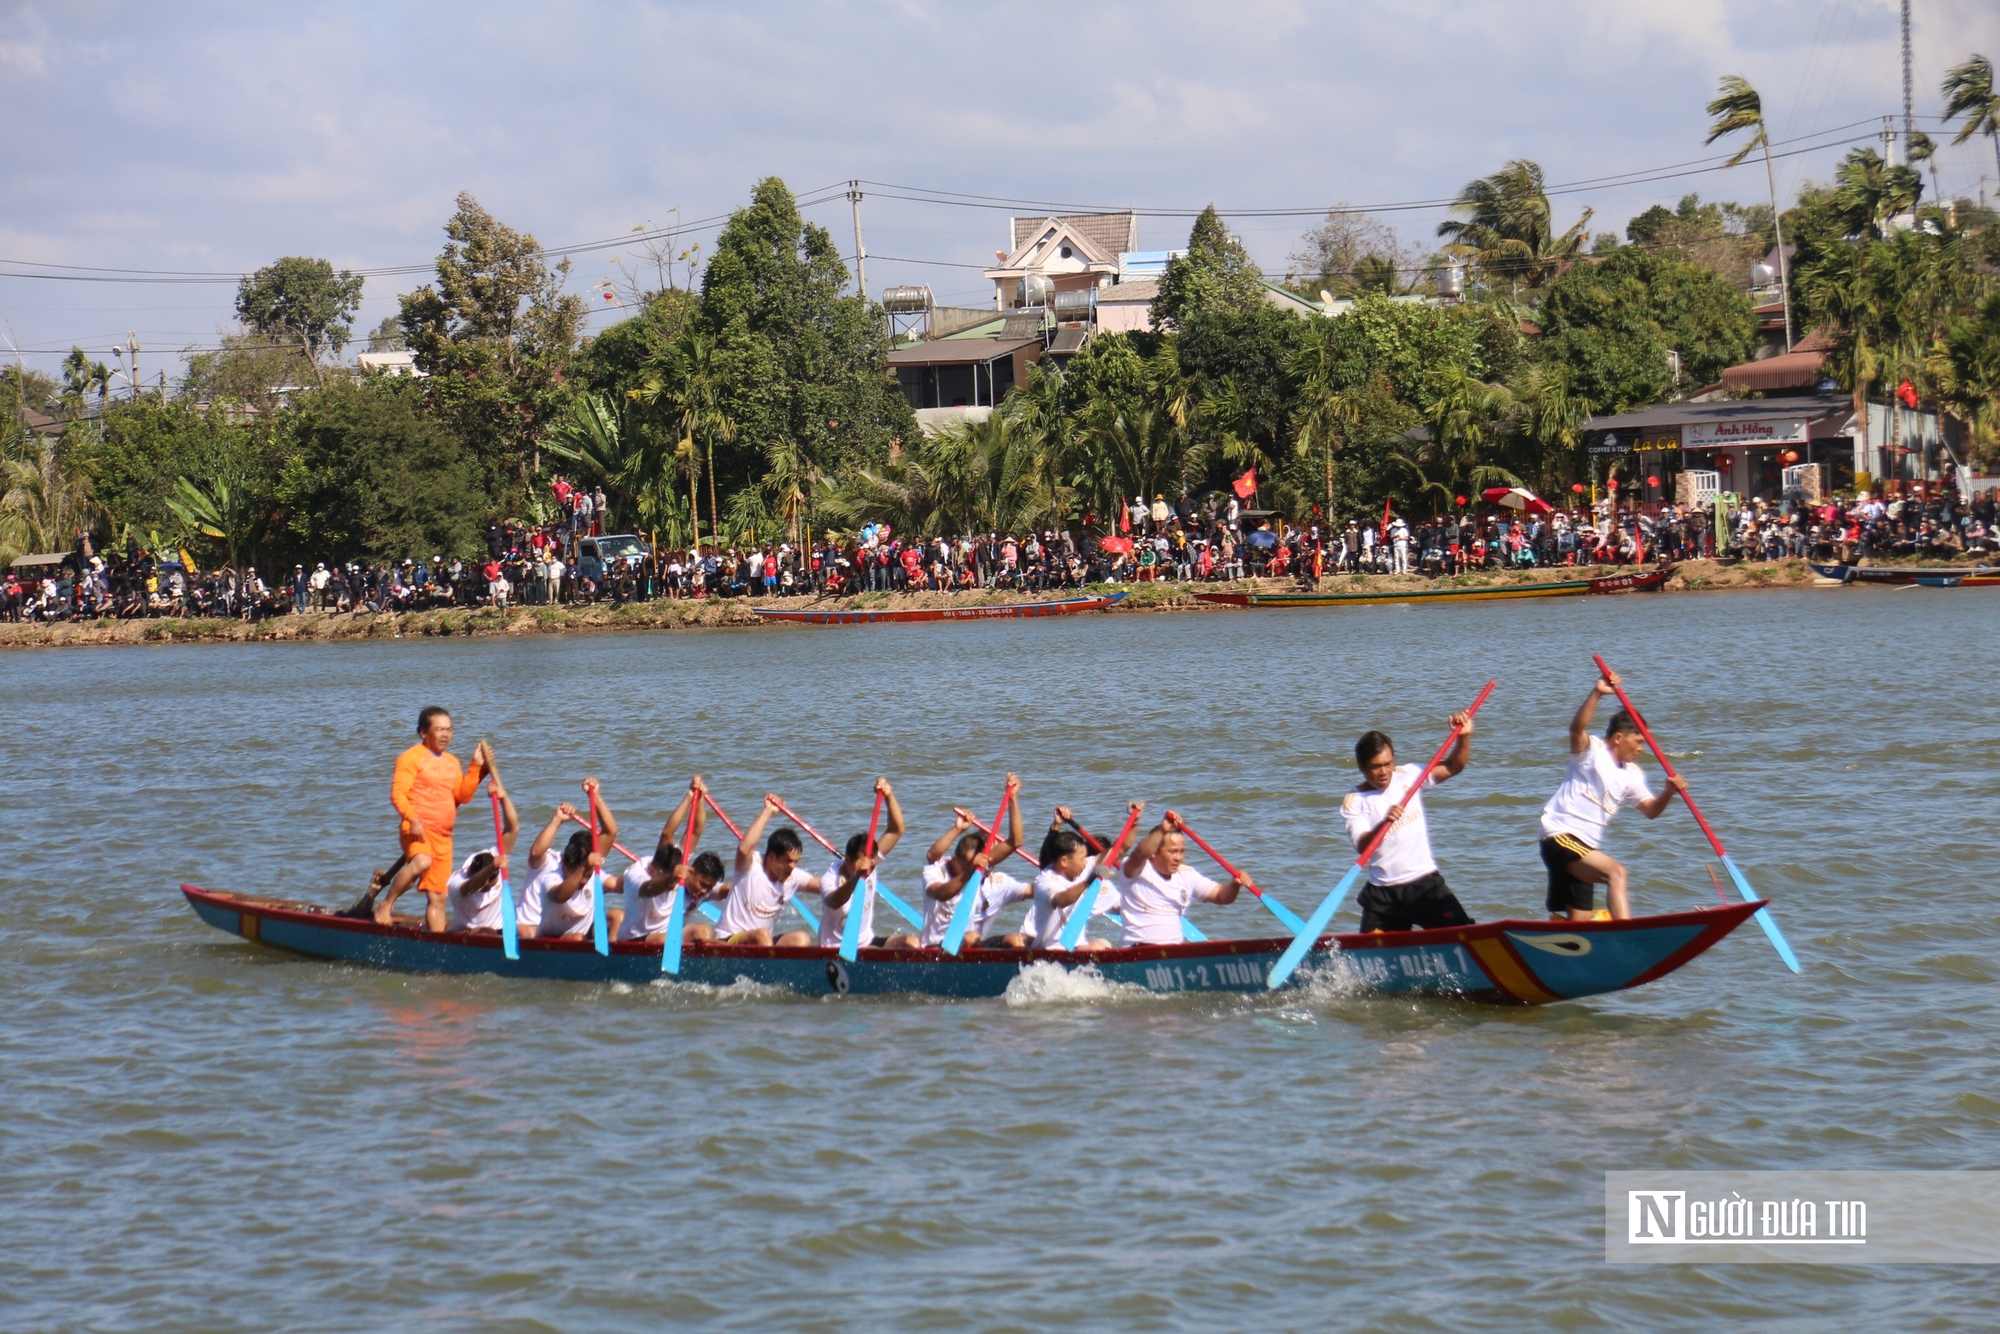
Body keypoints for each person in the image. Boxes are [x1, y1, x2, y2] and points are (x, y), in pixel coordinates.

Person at [1539, 668, 1686, 920]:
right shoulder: (1591, 751)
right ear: (1619, 738)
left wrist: (1669, 792)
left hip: (1586, 848)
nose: (1641, 748)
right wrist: (1597, 692)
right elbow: (1576, 729)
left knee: (1580, 926)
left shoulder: (1633, 774)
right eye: (1638, 741)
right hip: (1561, 836)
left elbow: (1651, 810)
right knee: (1617, 873)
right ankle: (1627, 933)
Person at [1342, 717, 1475, 933]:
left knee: (1466, 934)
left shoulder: (1410, 774)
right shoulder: (1354, 800)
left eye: (1388, 764)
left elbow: (1453, 766)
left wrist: (1464, 737)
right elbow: (1363, 847)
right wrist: (1384, 822)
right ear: (1361, 767)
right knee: (1368, 949)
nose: (1384, 772)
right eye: (1376, 767)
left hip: (1425, 885)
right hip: (1383, 894)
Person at [377, 709, 488, 931]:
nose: (445, 734)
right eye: (439, 730)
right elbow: (397, 794)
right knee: (422, 861)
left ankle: (438, 944)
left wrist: (476, 767)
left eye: (449, 730)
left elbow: (463, 796)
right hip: (416, 828)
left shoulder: (452, 762)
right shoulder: (410, 757)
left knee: (438, 898)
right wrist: (413, 819)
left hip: (443, 836)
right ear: (423, 732)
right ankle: (385, 906)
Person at [916, 776, 1023, 950]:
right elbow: (940, 891)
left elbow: (1015, 842)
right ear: (953, 858)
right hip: (934, 947)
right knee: (972, 937)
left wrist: (1013, 799)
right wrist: (958, 829)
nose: (979, 872)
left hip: (965, 945)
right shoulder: (935, 872)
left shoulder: (979, 868)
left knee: (1006, 939)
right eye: (967, 866)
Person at [1116, 811, 1243, 946]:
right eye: (1172, 852)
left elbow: (1221, 896)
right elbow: (1140, 853)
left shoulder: (1187, 874)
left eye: (1181, 851)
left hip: (1173, 951)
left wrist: (1235, 884)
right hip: (1138, 950)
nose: (1178, 858)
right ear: (1154, 853)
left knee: (1214, 945)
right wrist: (1162, 830)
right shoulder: (1135, 870)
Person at [1029, 803, 1144, 950]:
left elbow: (1120, 848)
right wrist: (1089, 881)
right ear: (1064, 861)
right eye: (1082, 858)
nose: (1086, 862)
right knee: (1097, 948)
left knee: (1101, 947)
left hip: (1076, 947)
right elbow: (1061, 900)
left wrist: (1134, 821)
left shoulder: (1085, 867)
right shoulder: (1045, 881)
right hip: (1051, 950)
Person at [516, 782, 616, 940]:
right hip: (533, 927)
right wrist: (557, 820)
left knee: (613, 919)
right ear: (563, 860)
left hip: (571, 930)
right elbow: (536, 852)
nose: (584, 879)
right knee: (528, 933)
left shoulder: (590, 864)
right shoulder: (549, 864)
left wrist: (595, 796)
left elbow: (610, 832)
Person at [717, 795, 820, 947]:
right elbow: (744, 848)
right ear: (772, 857)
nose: (792, 867)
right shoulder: (750, 867)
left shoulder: (792, 876)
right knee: (762, 934)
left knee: (801, 939)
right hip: (729, 940)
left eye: (795, 862)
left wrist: (851, 877)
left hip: (763, 944)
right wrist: (768, 811)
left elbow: (824, 886)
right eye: (787, 861)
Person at [817, 778, 907, 950]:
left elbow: (896, 830)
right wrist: (857, 877)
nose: (870, 867)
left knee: (911, 943)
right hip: (836, 948)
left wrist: (888, 795)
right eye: (864, 865)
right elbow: (834, 901)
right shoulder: (830, 879)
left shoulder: (870, 863)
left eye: (872, 863)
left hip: (866, 942)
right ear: (848, 860)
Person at [443, 767, 519, 934]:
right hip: (466, 933)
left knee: (523, 930)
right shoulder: (457, 883)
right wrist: (492, 869)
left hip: (498, 931)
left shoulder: (495, 857)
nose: (488, 890)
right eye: (485, 888)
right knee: (485, 931)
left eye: (491, 886)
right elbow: (471, 886)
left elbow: (513, 829)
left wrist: (503, 797)